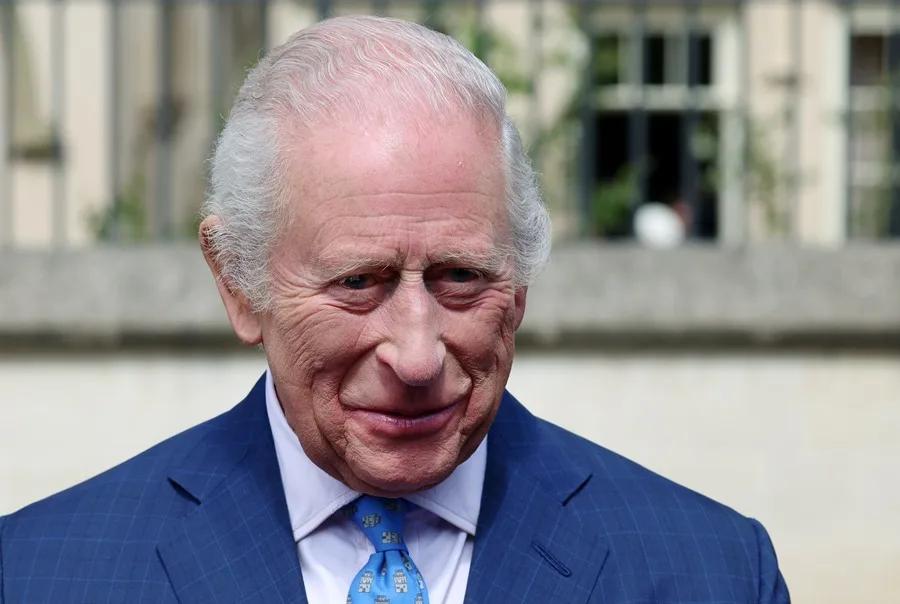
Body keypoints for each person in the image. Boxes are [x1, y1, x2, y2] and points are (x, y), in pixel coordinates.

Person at [0, 15, 789, 603]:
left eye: (460, 276)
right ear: (238, 284)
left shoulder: (713, 575)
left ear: (520, 285)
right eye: (358, 283)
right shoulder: (43, 575)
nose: (416, 356)